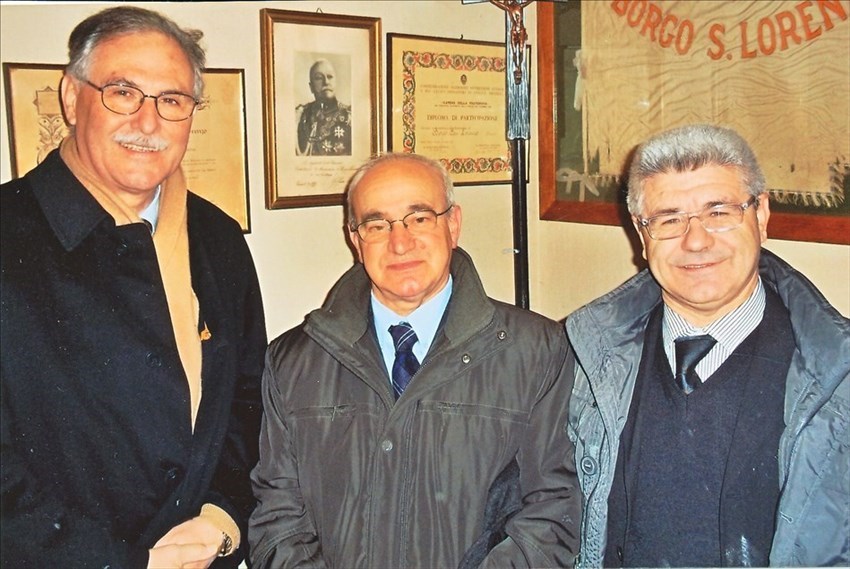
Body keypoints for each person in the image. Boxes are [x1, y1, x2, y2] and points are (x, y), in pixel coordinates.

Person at [0, 7, 267, 568]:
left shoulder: (216, 238)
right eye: (123, 92)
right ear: (72, 98)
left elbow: (247, 398)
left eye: (172, 101)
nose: (148, 124)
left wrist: (222, 514)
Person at [248, 152, 581, 568]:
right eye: (376, 224)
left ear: (453, 224)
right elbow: (278, 517)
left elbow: (551, 513)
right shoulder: (292, 362)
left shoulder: (539, 351)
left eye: (419, 218)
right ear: (356, 240)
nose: (400, 242)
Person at [565, 124, 850, 567]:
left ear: (761, 216)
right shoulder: (583, 359)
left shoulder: (837, 377)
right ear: (643, 237)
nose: (695, 240)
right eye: (669, 219)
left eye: (719, 212)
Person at [296, 58, 352, 156]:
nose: (326, 82)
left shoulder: (349, 116)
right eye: (319, 78)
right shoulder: (299, 116)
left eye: (330, 77)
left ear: (336, 82)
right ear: (311, 87)